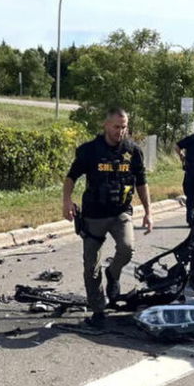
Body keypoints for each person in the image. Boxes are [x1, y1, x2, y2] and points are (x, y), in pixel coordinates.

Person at [62, 108, 152, 327]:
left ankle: (113, 273)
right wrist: (66, 200)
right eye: (116, 127)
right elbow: (71, 177)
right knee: (91, 266)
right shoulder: (89, 150)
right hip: (94, 216)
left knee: (127, 248)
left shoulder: (133, 151)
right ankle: (98, 310)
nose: (120, 131)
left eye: (124, 127)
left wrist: (149, 212)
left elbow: (141, 181)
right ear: (106, 125)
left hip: (120, 212)